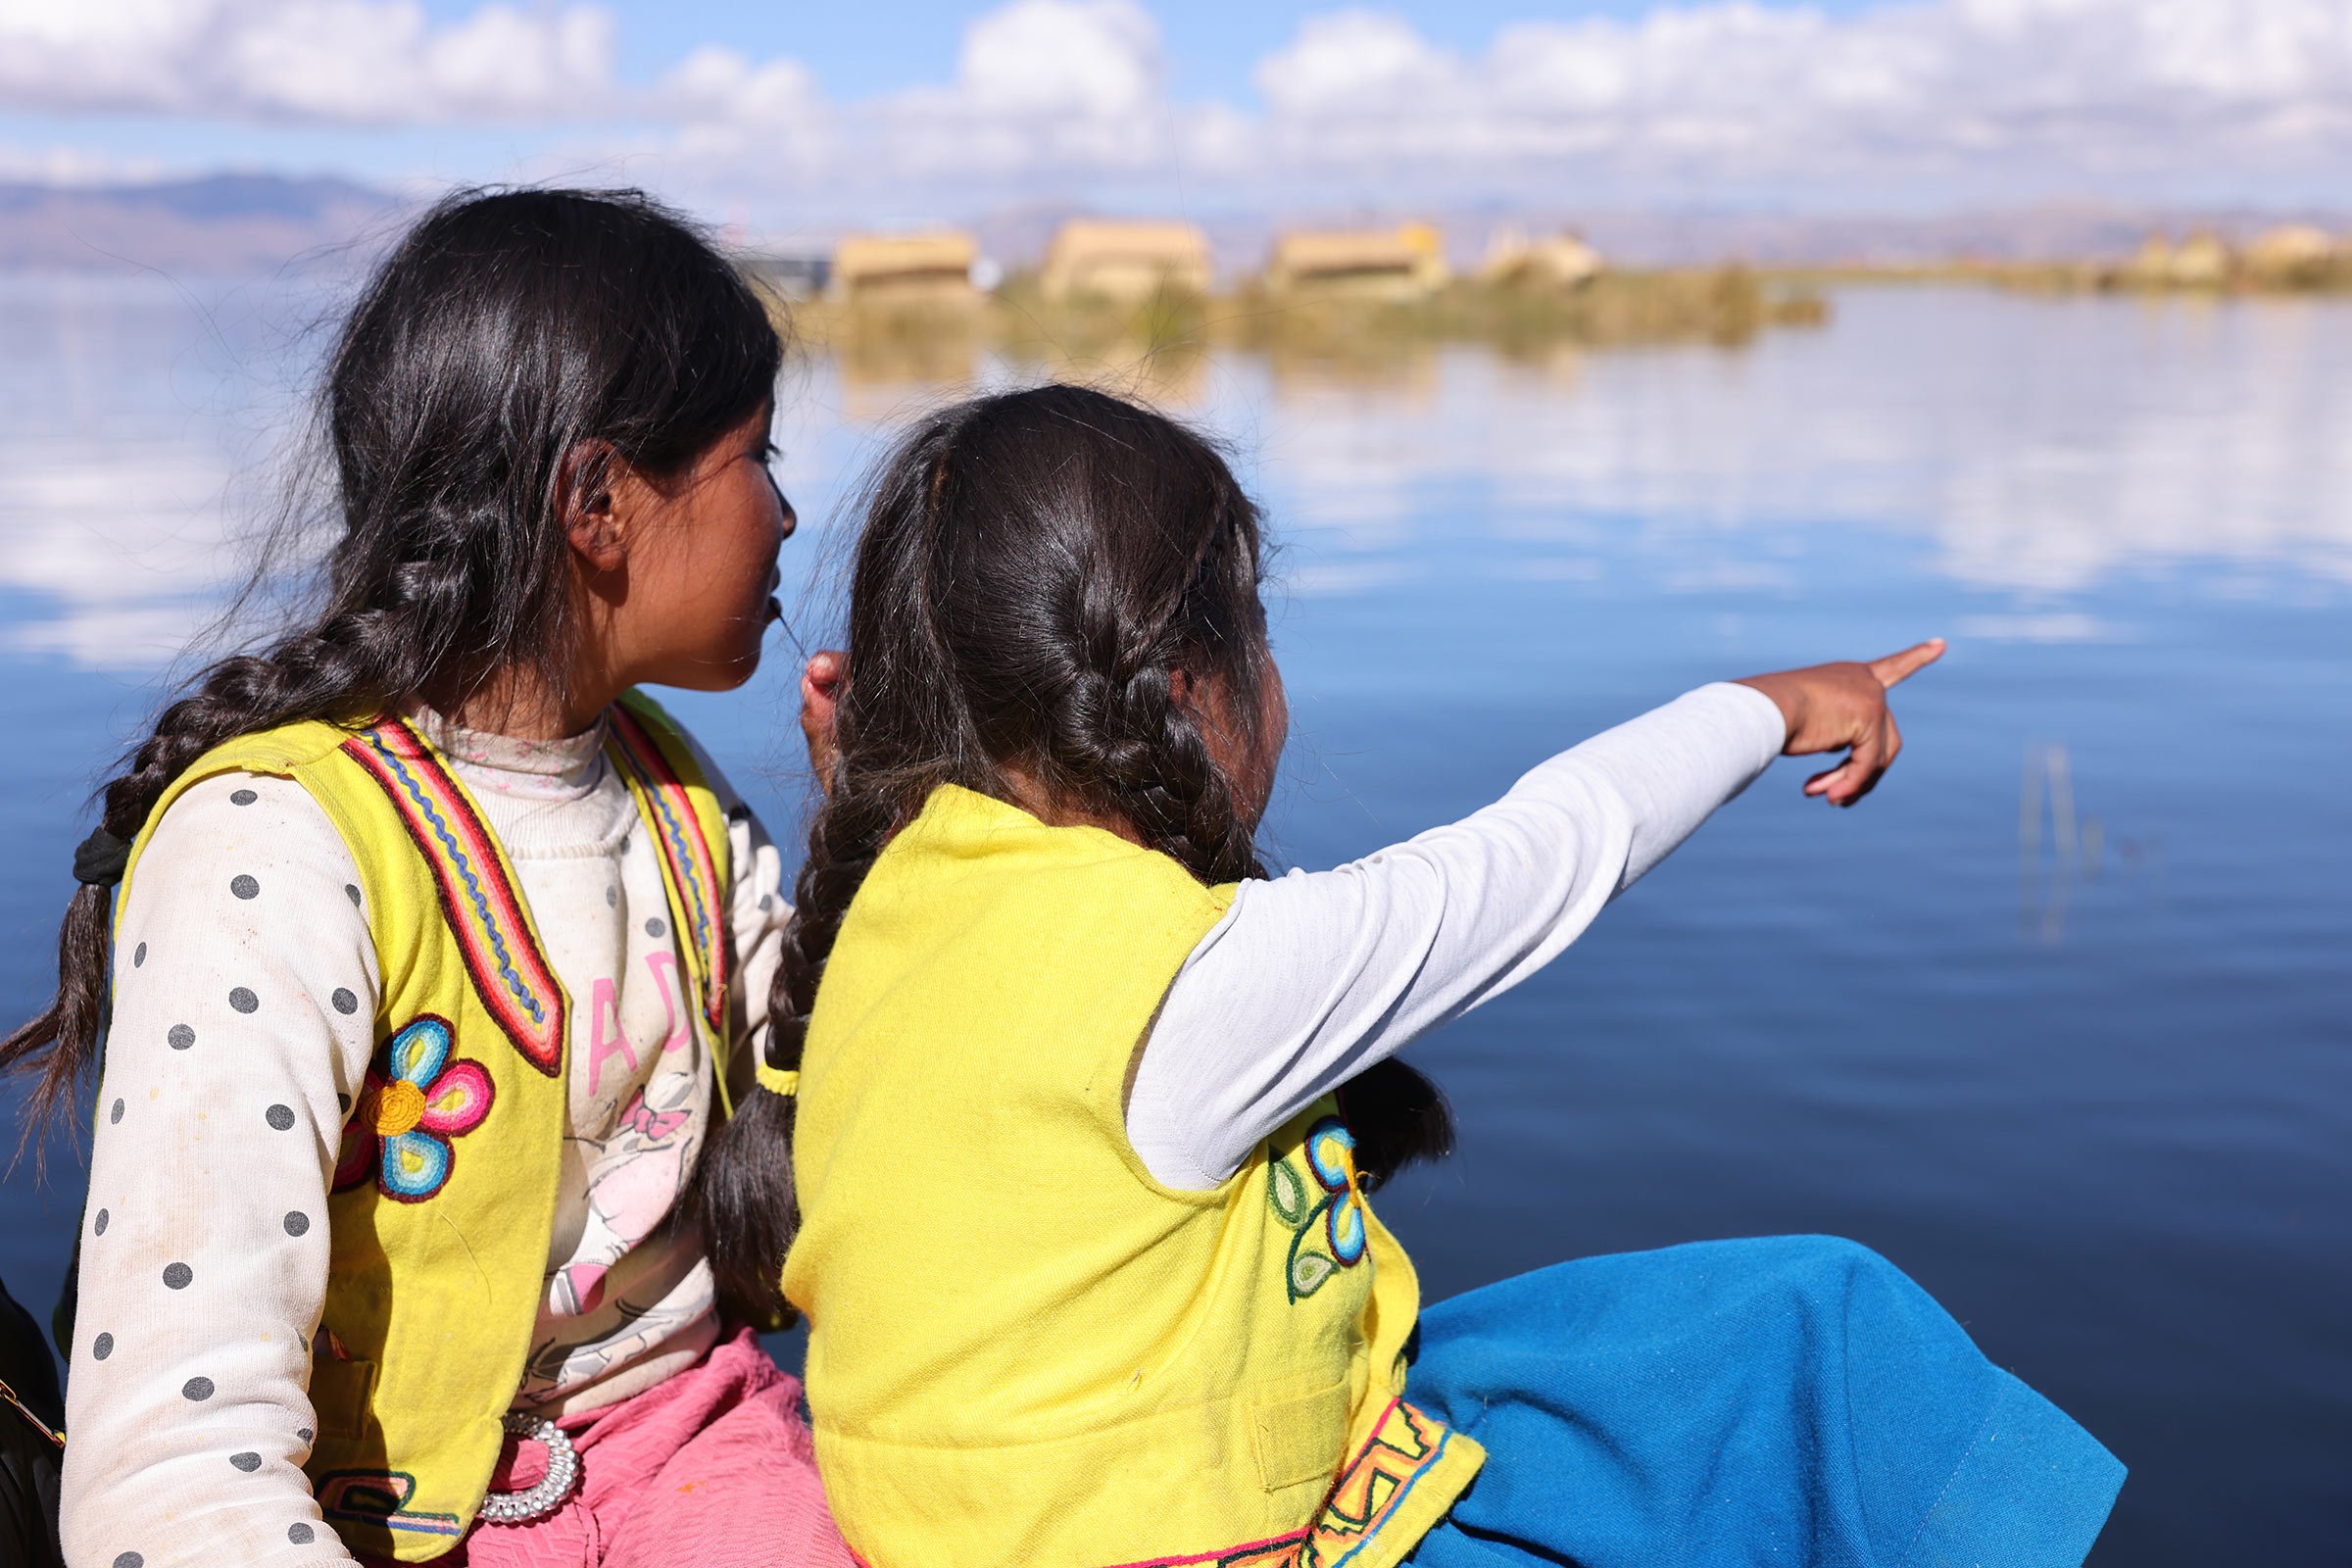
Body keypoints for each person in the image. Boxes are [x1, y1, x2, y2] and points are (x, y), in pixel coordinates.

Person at [696, 384, 2125, 1568]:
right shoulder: (1191, 982)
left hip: (976, 1513)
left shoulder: (887, 906)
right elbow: (1552, 853)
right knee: (1810, 1326)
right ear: (1185, 683)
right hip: (1189, 1537)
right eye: (1257, 637)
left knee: (1651, 1356)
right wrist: (1776, 704)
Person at [0, 188, 850, 1568]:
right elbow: (177, 1466)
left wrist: (876, 826)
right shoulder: (270, 853)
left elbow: (844, 1125)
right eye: (759, 455)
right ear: (597, 503)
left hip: (703, 1458)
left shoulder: (681, 796)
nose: (790, 512)